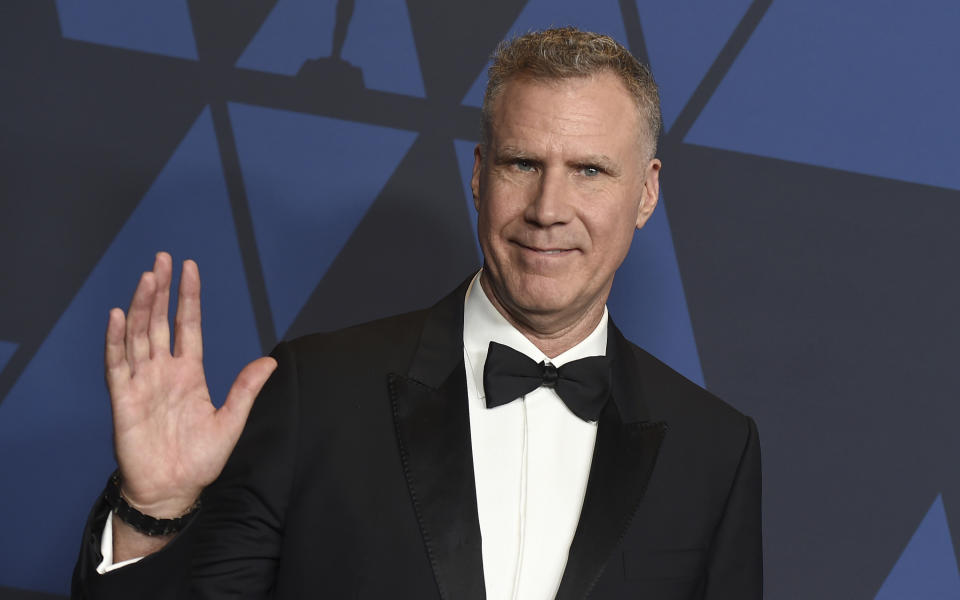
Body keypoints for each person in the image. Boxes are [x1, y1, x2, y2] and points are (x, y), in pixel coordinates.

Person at [72, 27, 761, 599]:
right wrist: (153, 513)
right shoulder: (316, 392)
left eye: (589, 171)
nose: (548, 210)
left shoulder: (714, 451)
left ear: (646, 193)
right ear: (478, 174)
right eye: (523, 164)